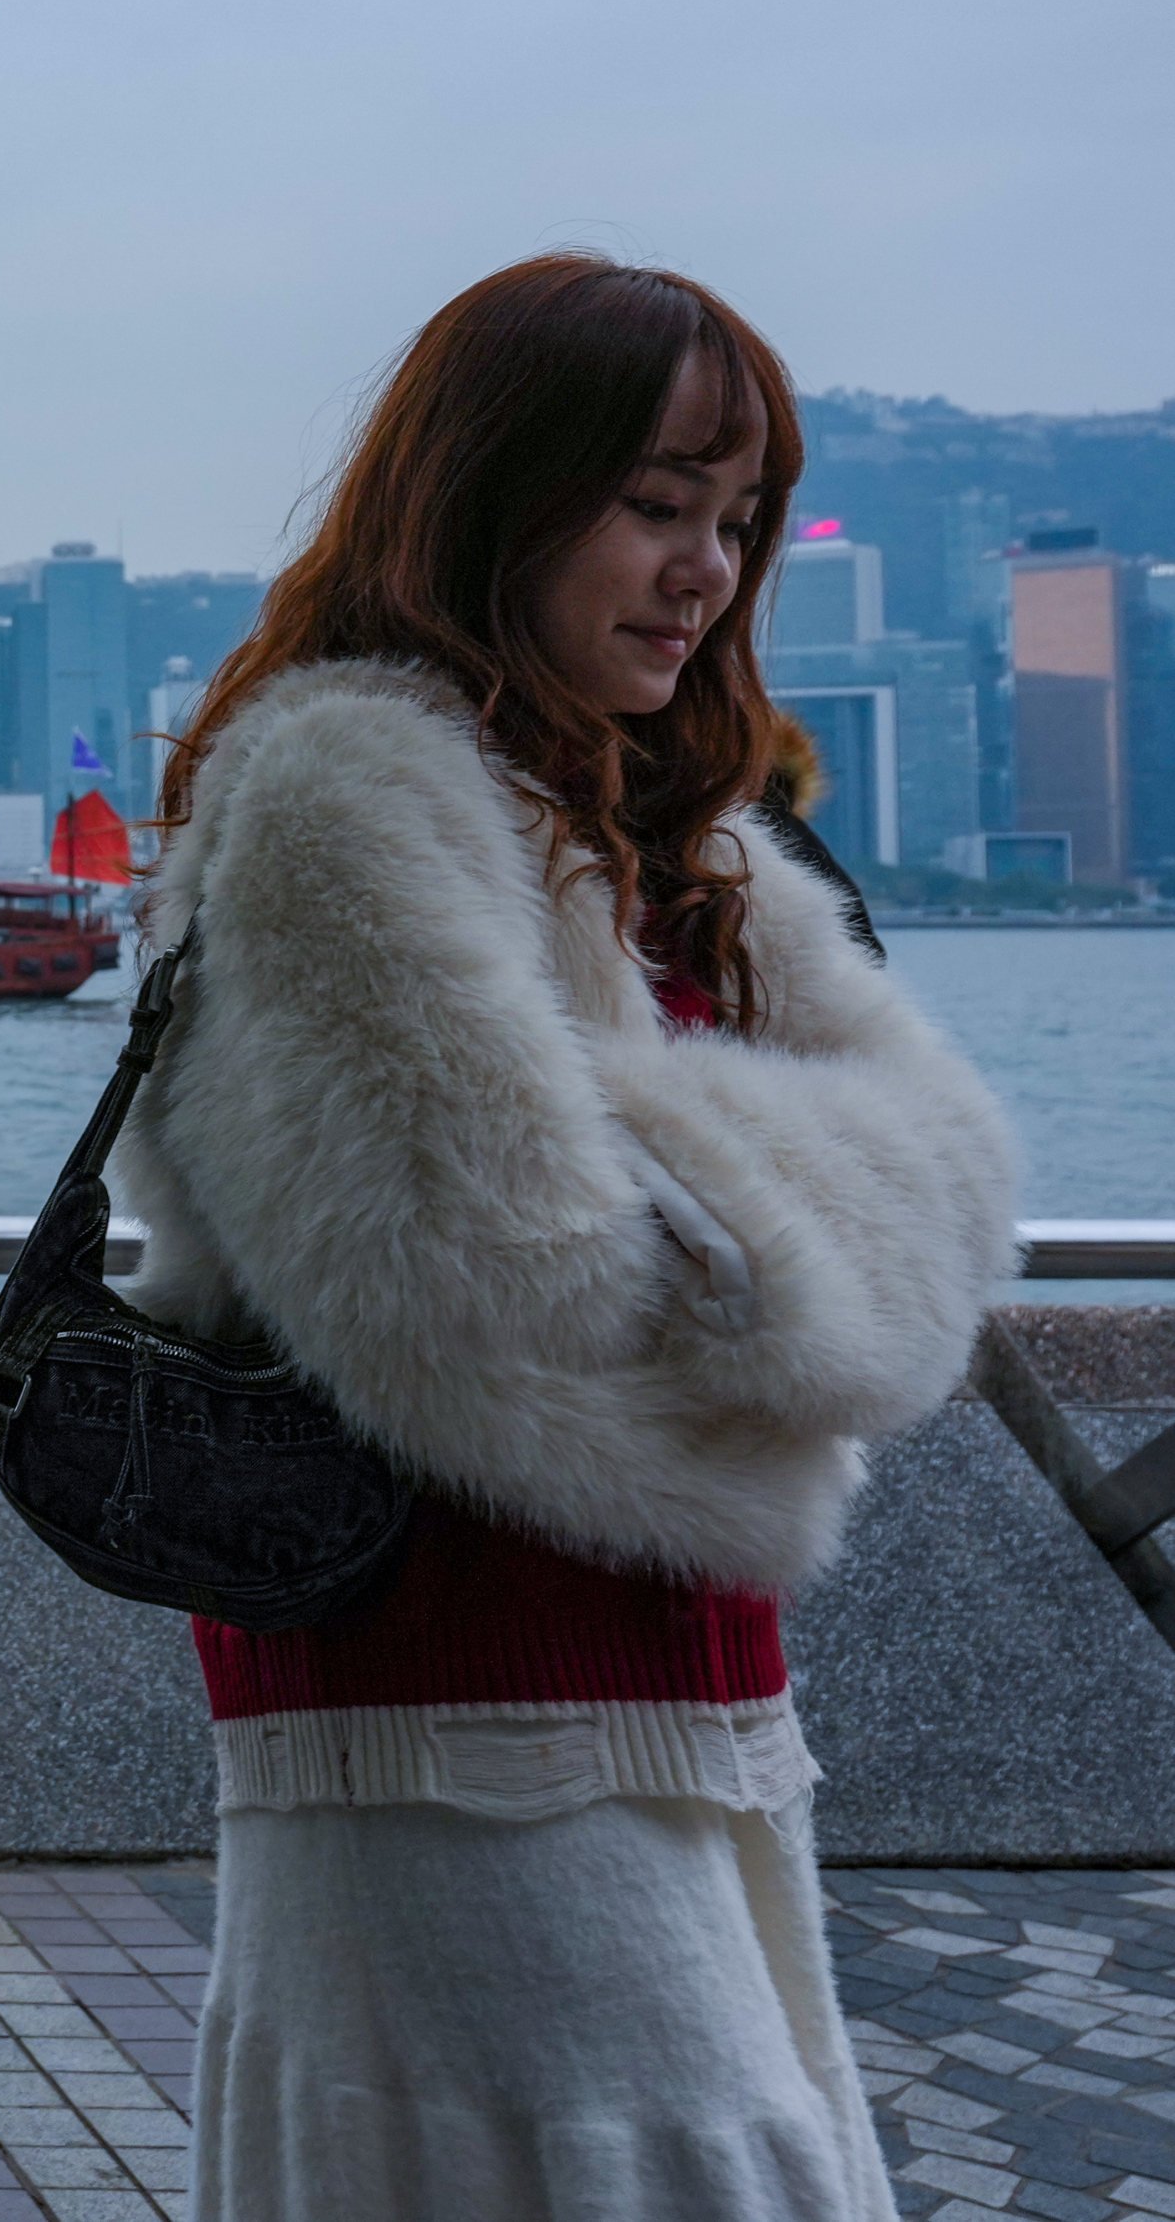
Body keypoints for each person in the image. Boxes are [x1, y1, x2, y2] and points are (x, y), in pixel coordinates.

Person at [127, 255, 1020, 2218]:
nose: (705, 571)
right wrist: (782, 1217)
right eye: (652, 504)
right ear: (494, 493)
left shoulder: (674, 832)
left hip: (690, 1673)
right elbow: (497, 1264)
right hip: (444, 1672)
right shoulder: (344, 788)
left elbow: (953, 1197)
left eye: (737, 518)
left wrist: (658, 1158)